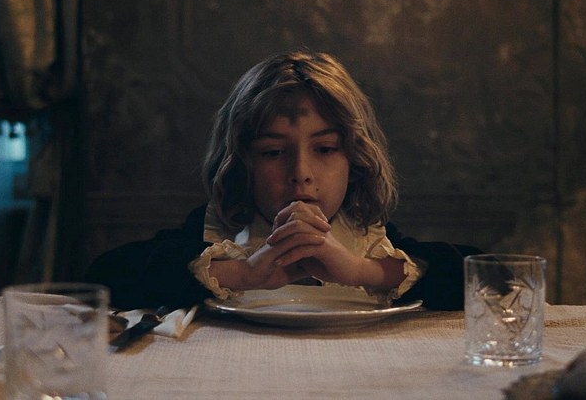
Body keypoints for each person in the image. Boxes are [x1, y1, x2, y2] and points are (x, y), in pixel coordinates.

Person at [86, 50, 480, 310]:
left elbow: (487, 279)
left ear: (355, 160)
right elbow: (105, 277)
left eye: (325, 149)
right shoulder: (219, 232)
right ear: (242, 164)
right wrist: (243, 273)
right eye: (273, 152)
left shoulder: (365, 234)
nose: (301, 174)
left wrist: (361, 271)